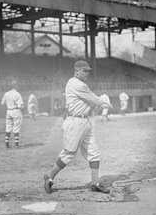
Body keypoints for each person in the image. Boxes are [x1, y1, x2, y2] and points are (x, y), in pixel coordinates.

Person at [44, 60, 111, 194]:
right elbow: (95, 101)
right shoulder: (77, 84)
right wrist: (104, 101)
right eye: (84, 71)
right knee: (69, 154)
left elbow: (90, 101)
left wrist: (101, 101)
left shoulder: (79, 84)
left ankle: (95, 183)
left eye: (88, 71)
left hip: (84, 121)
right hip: (74, 122)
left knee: (93, 152)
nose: (87, 73)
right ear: (77, 70)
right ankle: (49, 177)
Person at [1, 80, 24, 148]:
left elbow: (2, 103)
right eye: (17, 85)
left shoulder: (6, 93)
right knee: (16, 127)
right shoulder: (17, 94)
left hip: (9, 111)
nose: (18, 86)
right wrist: (22, 107)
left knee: (8, 127)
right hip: (16, 111)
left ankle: (7, 143)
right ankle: (16, 144)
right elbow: (20, 106)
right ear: (15, 86)